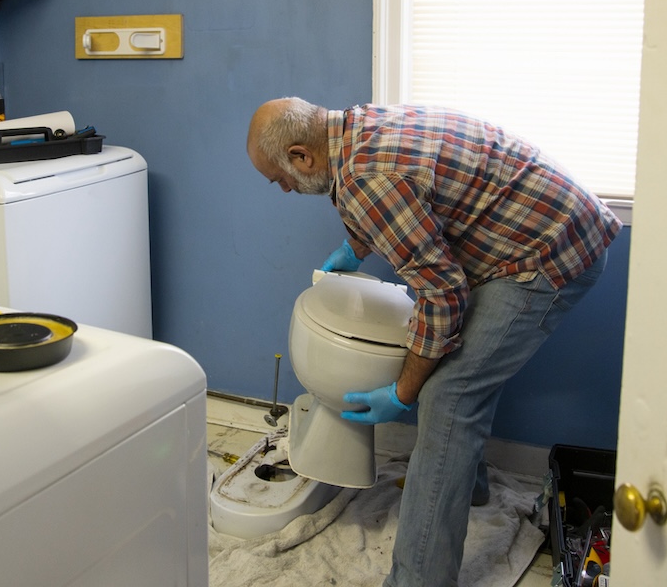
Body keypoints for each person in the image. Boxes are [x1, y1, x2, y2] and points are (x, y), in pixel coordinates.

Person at [246, 97, 621, 587]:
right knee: (457, 370)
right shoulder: (353, 128)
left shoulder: (369, 179)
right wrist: (355, 248)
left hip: (547, 252)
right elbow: (404, 198)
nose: (285, 189)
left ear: (301, 156)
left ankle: (417, 579)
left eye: (281, 177)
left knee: (448, 394)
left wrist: (402, 392)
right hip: (523, 229)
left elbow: (443, 296)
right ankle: (465, 490)